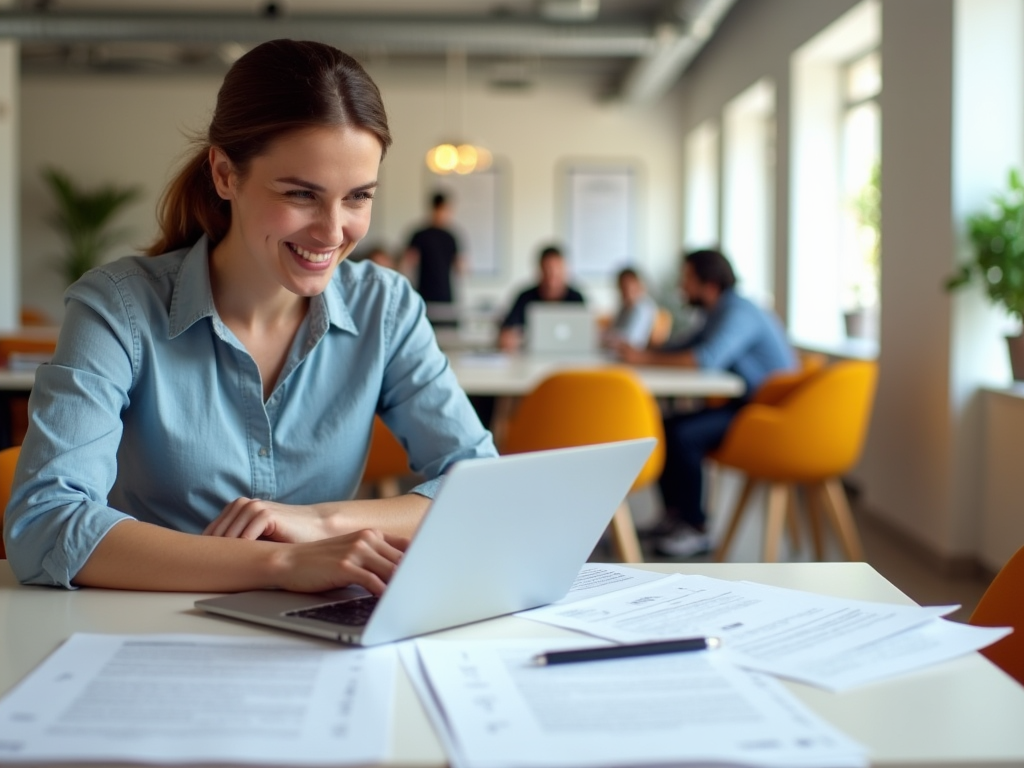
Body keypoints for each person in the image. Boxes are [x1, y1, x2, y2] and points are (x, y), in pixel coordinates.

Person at [3, 39, 496, 593]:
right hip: (146, 627)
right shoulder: (118, 310)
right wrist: (282, 565)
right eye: (301, 195)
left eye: (357, 197)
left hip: (324, 635)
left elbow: (482, 487)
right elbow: (45, 525)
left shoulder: (386, 307)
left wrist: (321, 523)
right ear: (224, 174)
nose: (333, 233)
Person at [616, 248, 796, 558]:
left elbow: (706, 359)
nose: (681, 287)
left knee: (683, 435)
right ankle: (676, 517)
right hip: (748, 405)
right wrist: (647, 350)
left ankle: (697, 529)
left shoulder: (739, 312)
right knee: (668, 425)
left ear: (708, 284)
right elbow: (688, 344)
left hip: (768, 415)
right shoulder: (718, 311)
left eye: (687, 279)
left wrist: (642, 357)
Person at [497, 245, 585, 352]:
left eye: (557, 271)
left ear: (565, 270)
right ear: (539, 270)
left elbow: (585, 335)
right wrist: (509, 338)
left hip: (569, 357)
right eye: (548, 270)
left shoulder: (576, 299)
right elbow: (508, 330)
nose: (552, 277)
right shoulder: (524, 297)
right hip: (529, 358)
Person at [404, 191, 461, 306]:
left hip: (446, 294)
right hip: (424, 294)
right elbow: (408, 263)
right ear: (436, 209)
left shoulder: (451, 236)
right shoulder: (420, 235)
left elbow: (460, 266)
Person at [602, 267, 658, 350]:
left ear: (637, 285)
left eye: (628, 286)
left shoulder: (643, 308)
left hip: (634, 357)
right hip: (618, 353)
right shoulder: (625, 307)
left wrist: (608, 338)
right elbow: (613, 330)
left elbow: (632, 341)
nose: (625, 291)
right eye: (622, 287)